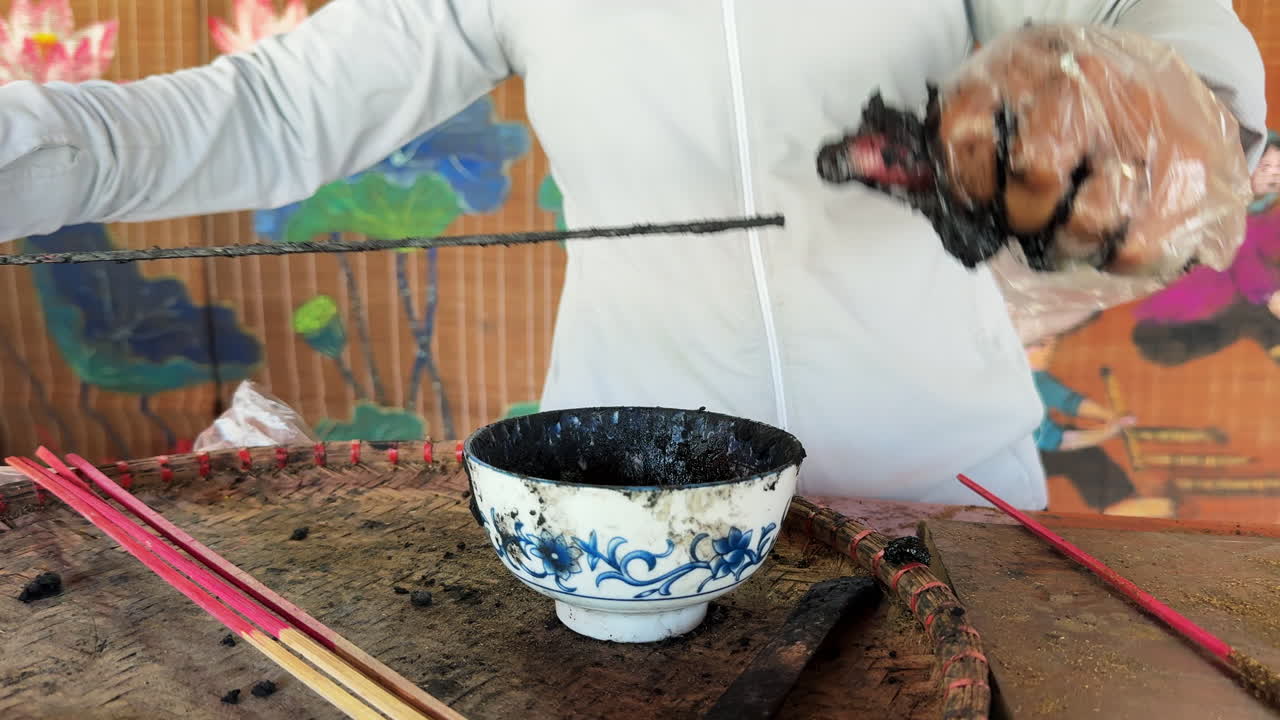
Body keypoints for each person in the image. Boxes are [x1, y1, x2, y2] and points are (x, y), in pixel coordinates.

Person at [0, 1, 1266, 508]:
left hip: (945, 502)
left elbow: (1181, 62)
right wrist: (27, 147)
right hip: (621, 519)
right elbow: (270, 113)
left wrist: (1167, 120)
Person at [1025, 326, 1174, 518]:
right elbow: (1060, 441)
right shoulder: (1015, 390)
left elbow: (1069, 401)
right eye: (1043, 345)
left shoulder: (1035, 377)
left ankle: (1119, 503)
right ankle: (1118, 506)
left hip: (1028, 453)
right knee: (1079, 455)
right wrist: (1108, 432)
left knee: (1082, 453)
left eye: (1052, 345)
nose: (1051, 351)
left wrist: (1111, 416)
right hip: (1011, 460)